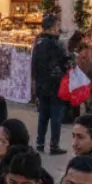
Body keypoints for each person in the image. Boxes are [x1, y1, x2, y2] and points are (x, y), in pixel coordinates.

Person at [31, 13, 71, 154]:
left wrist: (35, 82)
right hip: (55, 85)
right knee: (55, 116)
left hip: (42, 84)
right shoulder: (56, 44)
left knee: (43, 116)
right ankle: (54, 145)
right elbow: (65, 61)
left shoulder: (39, 42)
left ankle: (40, 143)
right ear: (54, 27)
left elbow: (34, 65)